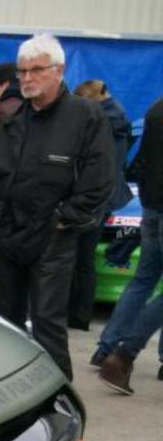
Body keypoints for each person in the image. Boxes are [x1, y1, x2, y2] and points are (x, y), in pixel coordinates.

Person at [0, 34, 114, 381]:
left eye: (36, 70)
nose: (27, 78)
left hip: (52, 236)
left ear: (59, 70)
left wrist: (64, 219)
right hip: (8, 231)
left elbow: (100, 177)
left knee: (47, 323)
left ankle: (58, 400)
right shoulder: (12, 117)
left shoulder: (85, 115)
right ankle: (8, 394)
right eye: (22, 71)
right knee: (5, 324)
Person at [97, 93, 163, 394]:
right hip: (154, 205)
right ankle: (124, 353)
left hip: (151, 206)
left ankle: (106, 347)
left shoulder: (155, 108)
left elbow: (141, 161)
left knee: (143, 281)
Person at [68, 80, 136, 329]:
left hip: (92, 195)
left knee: (72, 258)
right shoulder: (120, 119)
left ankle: (69, 312)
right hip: (107, 196)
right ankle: (81, 316)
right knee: (85, 260)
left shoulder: (98, 122)